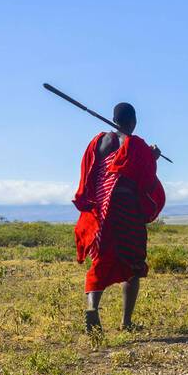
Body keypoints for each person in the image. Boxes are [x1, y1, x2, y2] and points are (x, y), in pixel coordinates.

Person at [72, 102, 165, 333]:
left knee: (101, 260)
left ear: (114, 121)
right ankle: (126, 322)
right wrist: (153, 157)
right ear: (133, 121)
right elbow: (146, 179)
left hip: (102, 212)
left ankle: (92, 308)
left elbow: (90, 172)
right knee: (133, 264)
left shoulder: (99, 142)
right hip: (127, 211)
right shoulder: (138, 146)